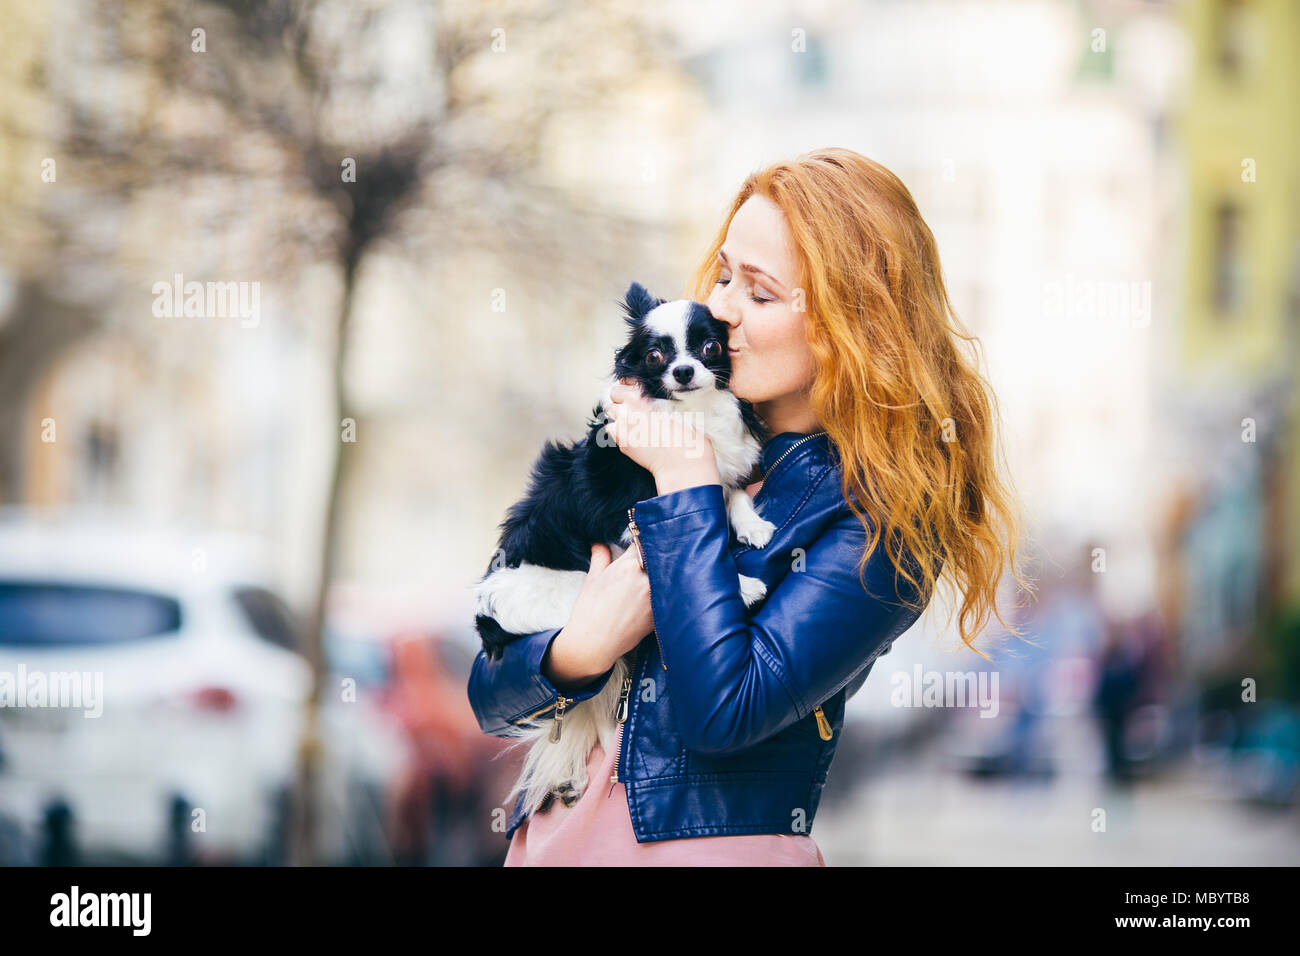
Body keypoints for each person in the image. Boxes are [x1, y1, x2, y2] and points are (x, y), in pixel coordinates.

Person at [468, 147, 1031, 865]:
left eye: (760, 294)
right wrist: (580, 648)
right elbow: (489, 691)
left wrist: (687, 481)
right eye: (724, 275)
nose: (723, 309)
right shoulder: (664, 434)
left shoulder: (885, 525)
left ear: (847, 327)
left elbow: (721, 712)